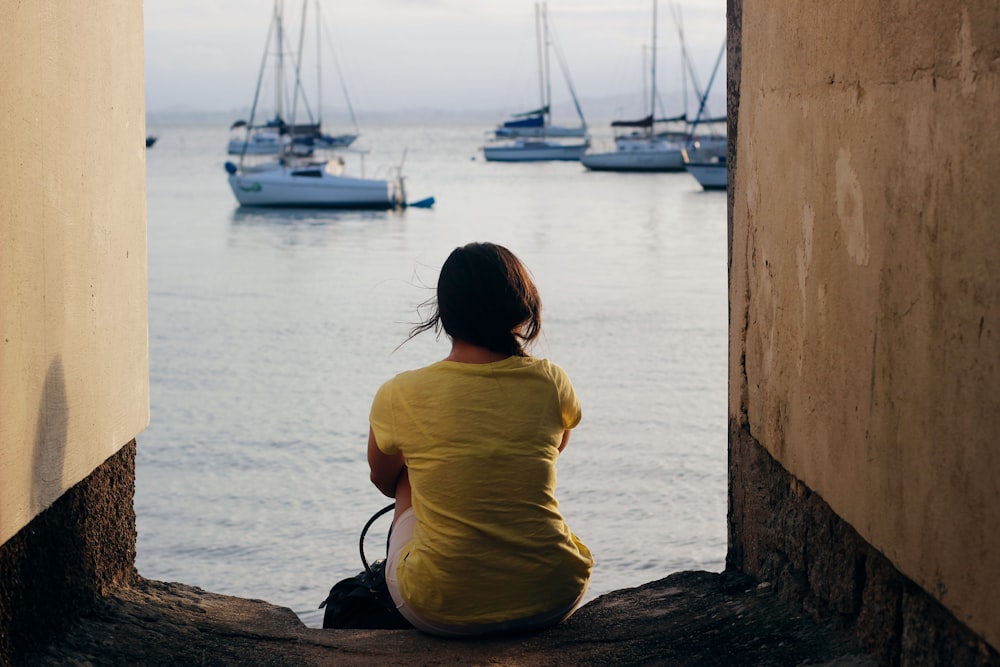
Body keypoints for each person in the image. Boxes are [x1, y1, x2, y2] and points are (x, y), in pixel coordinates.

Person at [367, 242, 594, 637]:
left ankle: (460, 577)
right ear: (522, 306)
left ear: (445, 314)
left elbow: (383, 481)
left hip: (439, 608)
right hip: (553, 595)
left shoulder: (400, 393)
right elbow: (555, 448)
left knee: (407, 473)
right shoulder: (551, 380)